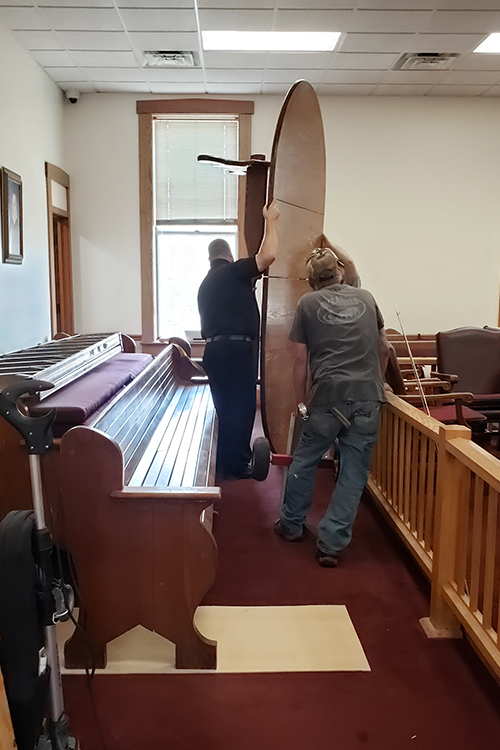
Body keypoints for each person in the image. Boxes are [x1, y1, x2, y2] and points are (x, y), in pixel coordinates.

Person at [274, 246, 389, 567]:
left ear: (310, 280)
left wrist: (301, 402)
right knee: (354, 472)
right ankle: (331, 544)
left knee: (305, 459)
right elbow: (384, 347)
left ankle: (291, 524)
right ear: (339, 273)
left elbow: (300, 359)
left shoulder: (307, 303)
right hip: (367, 397)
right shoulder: (366, 298)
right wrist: (378, 383)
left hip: (326, 396)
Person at [197, 200, 280, 480]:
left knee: (226, 408)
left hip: (214, 351)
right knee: (242, 408)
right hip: (237, 350)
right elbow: (267, 257)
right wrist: (271, 220)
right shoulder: (233, 272)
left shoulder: (206, 284)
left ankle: (224, 462)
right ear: (229, 255)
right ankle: (236, 466)